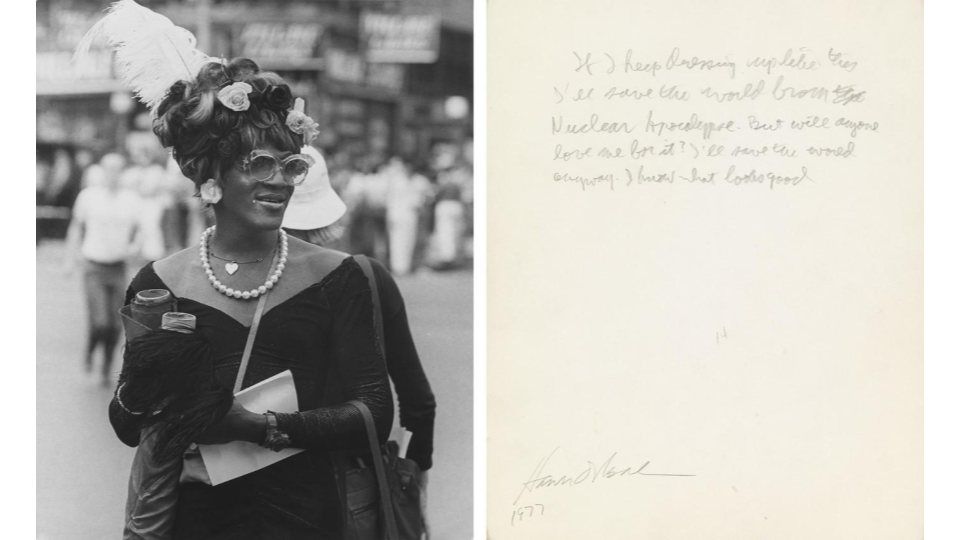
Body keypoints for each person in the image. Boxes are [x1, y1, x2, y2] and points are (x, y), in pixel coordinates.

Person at [108, 57, 394, 539]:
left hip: (305, 517)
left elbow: (373, 412)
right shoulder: (161, 282)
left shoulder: (336, 276)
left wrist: (257, 426)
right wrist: (143, 376)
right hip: (195, 520)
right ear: (212, 176)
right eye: (260, 163)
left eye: (291, 165)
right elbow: (127, 424)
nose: (280, 181)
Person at [282, 147, 437, 536]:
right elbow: (419, 401)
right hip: (351, 485)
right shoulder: (368, 276)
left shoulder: (233, 283)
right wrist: (416, 474)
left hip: (260, 485)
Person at [65, 152, 141, 385]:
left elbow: (139, 230)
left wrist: (134, 248)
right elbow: (76, 228)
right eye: (109, 169)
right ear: (101, 171)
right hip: (93, 266)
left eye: (118, 170)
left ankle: (106, 365)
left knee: (115, 324)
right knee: (100, 322)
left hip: (118, 267)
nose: (113, 175)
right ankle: (90, 349)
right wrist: (70, 259)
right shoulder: (88, 197)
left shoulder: (131, 199)